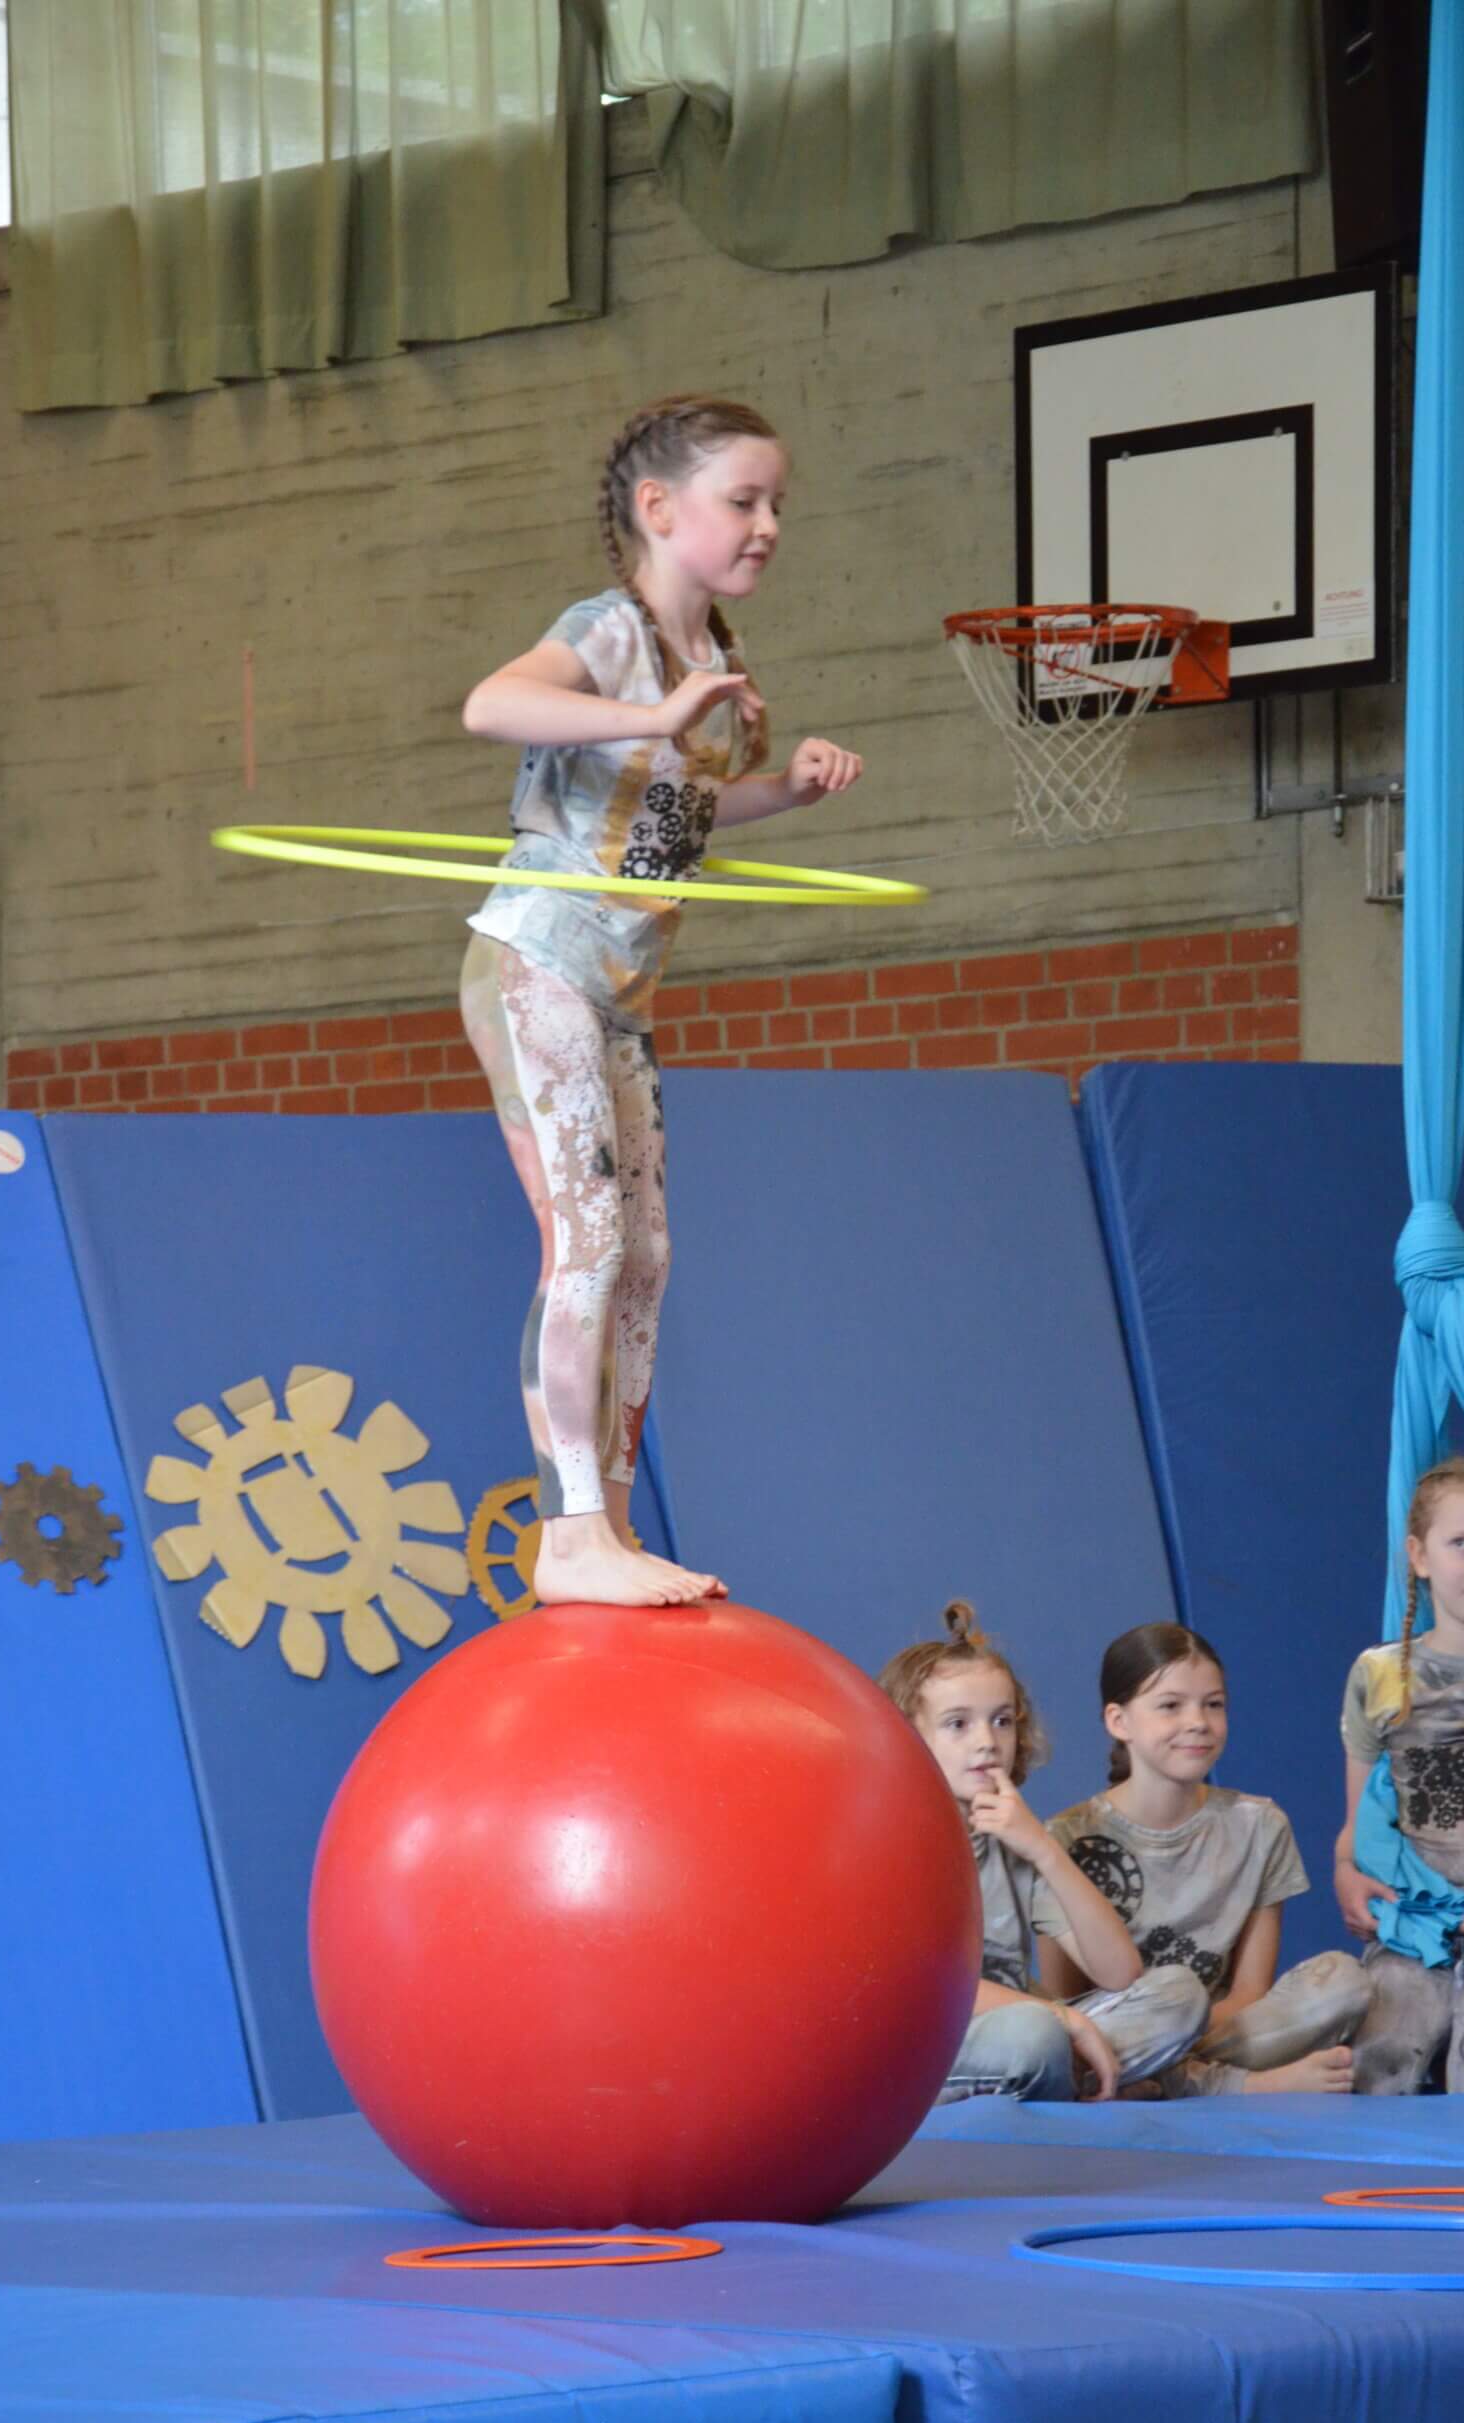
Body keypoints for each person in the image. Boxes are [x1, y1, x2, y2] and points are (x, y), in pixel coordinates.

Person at [459, 393, 862, 1610]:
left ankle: (615, 1520)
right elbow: (492, 704)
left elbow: (675, 812)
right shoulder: (609, 633)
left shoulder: (717, 657)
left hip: (623, 992)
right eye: (743, 500)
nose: (768, 524)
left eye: (776, 503)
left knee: (647, 1256)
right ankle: (570, 1530)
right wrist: (654, 711)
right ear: (658, 508)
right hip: (537, 961)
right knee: (584, 1243)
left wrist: (784, 791)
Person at [880, 1602, 1208, 2101]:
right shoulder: (893, 1845)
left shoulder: (1016, 1838)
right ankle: (1079, 2079)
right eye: (958, 1724)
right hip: (930, 2046)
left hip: (1035, 2030)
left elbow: (1119, 1972)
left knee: (1180, 1995)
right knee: (1033, 2035)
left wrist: (1042, 1849)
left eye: (1001, 1721)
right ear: (909, 1735)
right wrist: (1059, 2018)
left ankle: (1072, 2081)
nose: (987, 1741)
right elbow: (921, 1988)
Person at [1048, 1623, 1367, 2094]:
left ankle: (1169, 2082)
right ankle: (1243, 2087)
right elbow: (1067, 1999)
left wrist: (1185, 2033)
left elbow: (1249, 1992)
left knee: (1346, 1981)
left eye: (1213, 1704)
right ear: (1118, 1721)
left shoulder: (1261, 1826)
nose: (1198, 1721)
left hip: (1215, 2030)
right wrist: (1166, 2022)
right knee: (1172, 1999)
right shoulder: (1066, 1837)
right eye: (1171, 1705)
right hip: (1123, 2034)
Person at [1336, 1452, 1464, 2093]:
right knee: (1376, 2073)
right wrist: (1346, 1873)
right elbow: (1361, 1822)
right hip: (1416, 1935)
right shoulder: (1380, 1675)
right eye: (1461, 1544)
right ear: (1418, 1555)